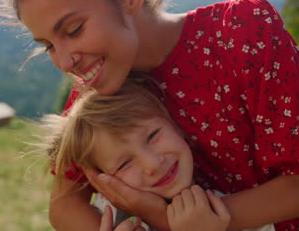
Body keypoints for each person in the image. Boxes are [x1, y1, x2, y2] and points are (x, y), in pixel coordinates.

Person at [0, 0, 299, 230]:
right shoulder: (97, 89)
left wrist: (170, 220)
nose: (64, 61)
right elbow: (64, 206)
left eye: (73, 30)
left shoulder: (240, 31)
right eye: (48, 46)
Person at [41, 80, 275, 231]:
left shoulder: (233, 209)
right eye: (124, 164)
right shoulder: (107, 221)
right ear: (101, 180)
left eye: (153, 135)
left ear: (176, 124)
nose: (152, 164)